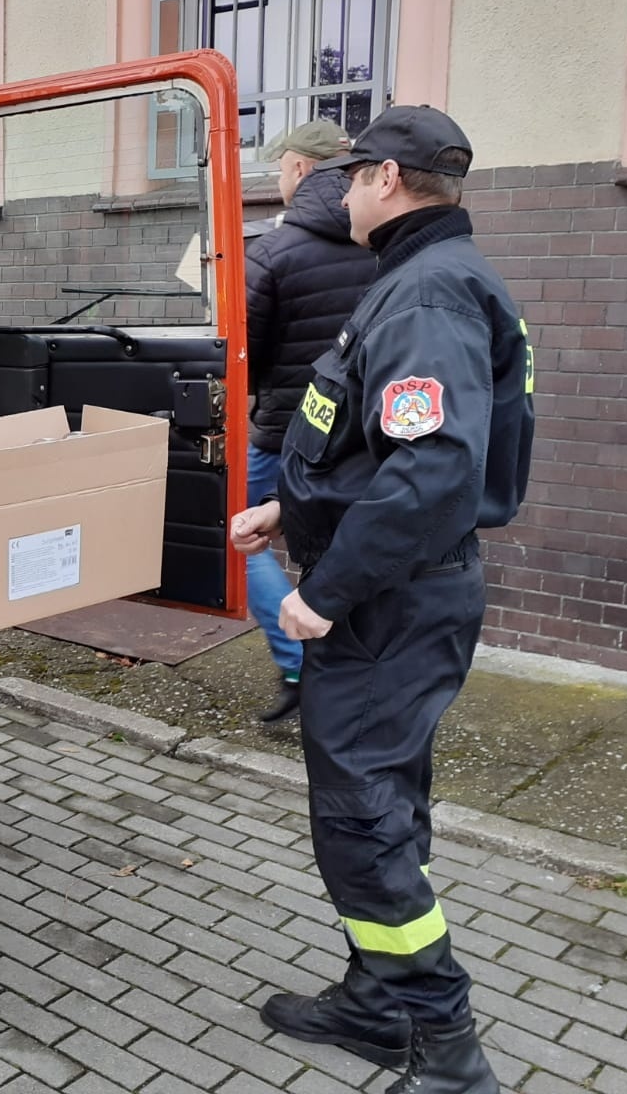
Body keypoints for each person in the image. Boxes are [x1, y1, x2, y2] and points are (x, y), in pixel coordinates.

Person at [230, 105, 533, 1094]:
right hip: (398, 596)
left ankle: (447, 1051)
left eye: (353, 175)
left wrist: (326, 591)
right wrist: (289, 511)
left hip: (388, 606)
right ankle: (375, 1002)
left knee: (363, 824)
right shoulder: (419, 279)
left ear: (386, 180)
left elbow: (432, 472)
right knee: (384, 807)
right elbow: (375, 451)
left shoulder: (425, 293)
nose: (344, 191)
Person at [245, 120, 379, 723]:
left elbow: (243, 355)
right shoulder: (381, 241)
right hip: (360, 436)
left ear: (300, 168)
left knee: (240, 538)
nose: (279, 178)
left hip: (283, 430)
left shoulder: (274, 250)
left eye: (281, 168)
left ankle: (297, 657)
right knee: (343, 545)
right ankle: (348, 670)